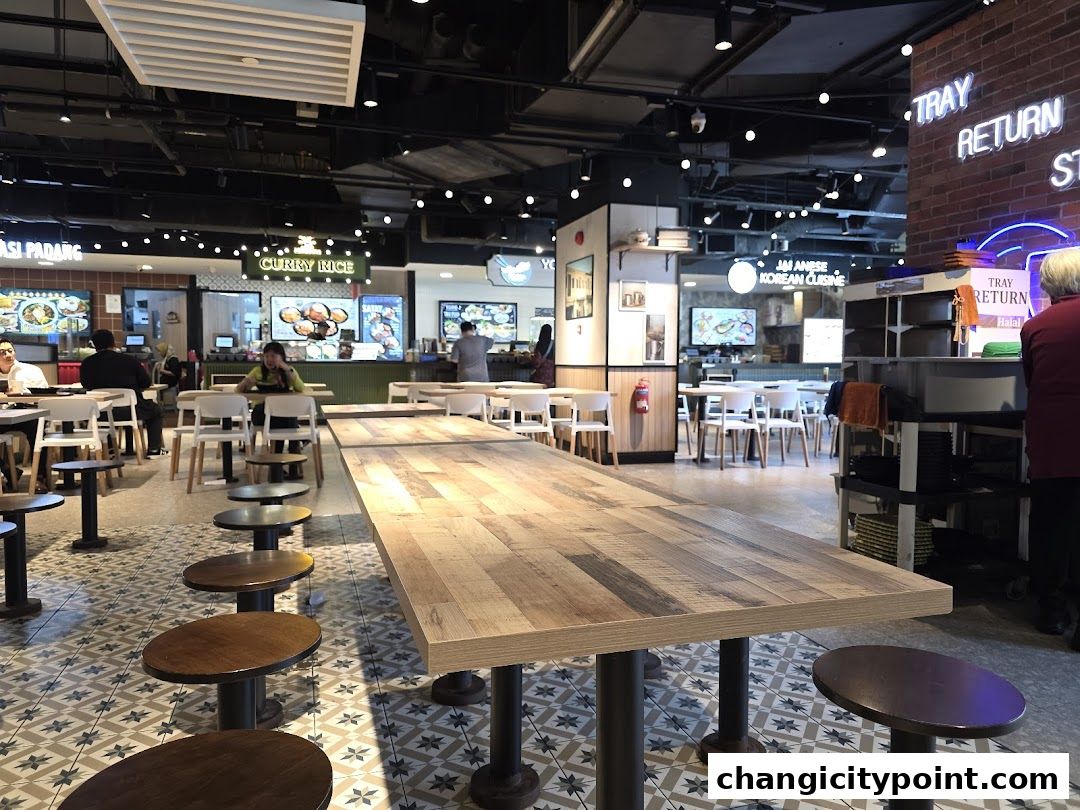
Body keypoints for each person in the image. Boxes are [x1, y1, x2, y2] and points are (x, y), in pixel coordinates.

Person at [1020, 248, 1080, 649]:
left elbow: (1031, 379)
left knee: (1050, 525)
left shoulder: (1035, 327)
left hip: (1052, 438)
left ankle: (1051, 610)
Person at [80, 329, 165, 456]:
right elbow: (146, 382)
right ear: (113, 343)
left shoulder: (87, 363)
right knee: (156, 410)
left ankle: (109, 449)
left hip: (100, 412)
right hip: (133, 410)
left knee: (104, 419)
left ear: (94, 345)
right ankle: (154, 450)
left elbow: (86, 385)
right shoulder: (129, 360)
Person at [237, 342, 305, 478]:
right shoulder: (257, 371)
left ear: (281, 357)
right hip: (261, 415)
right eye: (266, 356)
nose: (269, 359)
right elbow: (238, 390)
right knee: (290, 421)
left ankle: (280, 467)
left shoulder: (289, 371)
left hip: (280, 415)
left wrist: (286, 369)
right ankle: (287, 467)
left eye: (273, 356)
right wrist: (246, 383)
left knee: (286, 417)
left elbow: (300, 387)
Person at [0, 337, 50, 491]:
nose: (8, 355)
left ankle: (40, 478)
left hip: (28, 413)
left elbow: (44, 395)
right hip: (2, 415)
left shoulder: (31, 370)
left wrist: (22, 393)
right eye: (2, 352)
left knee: (38, 429)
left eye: (10, 350)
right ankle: (9, 470)